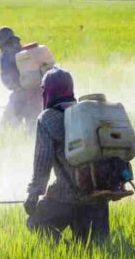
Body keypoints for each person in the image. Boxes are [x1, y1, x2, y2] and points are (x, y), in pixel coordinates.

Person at [24, 67, 109, 245]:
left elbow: (42, 163)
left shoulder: (47, 118)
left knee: (35, 222)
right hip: (99, 194)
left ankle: (67, 252)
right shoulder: (87, 114)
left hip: (66, 195)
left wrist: (33, 195)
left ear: (48, 92)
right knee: (96, 252)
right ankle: (74, 256)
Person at [0, 26, 44, 131]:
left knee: (6, 128)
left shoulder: (6, 56)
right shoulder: (22, 51)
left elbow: (8, 78)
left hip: (20, 94)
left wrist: (17, 89)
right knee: (34, 126)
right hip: (36, 92)